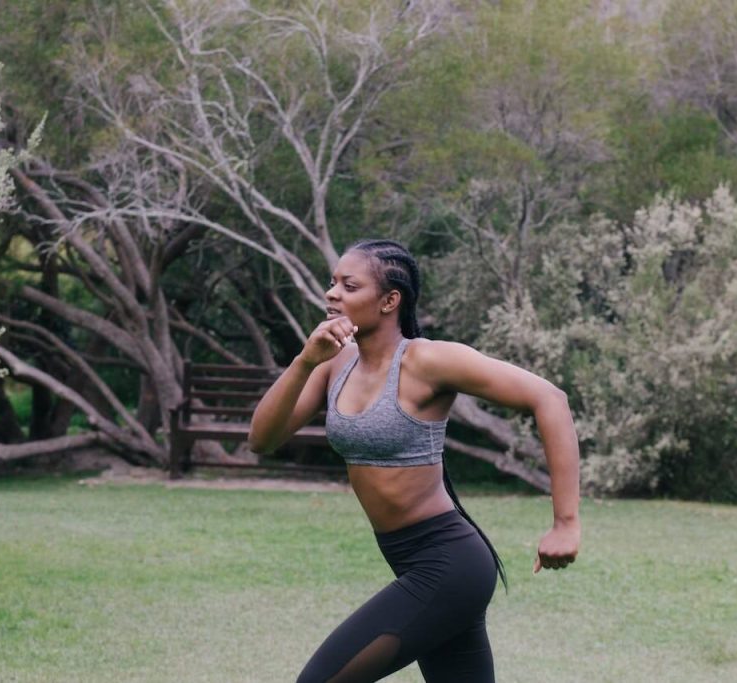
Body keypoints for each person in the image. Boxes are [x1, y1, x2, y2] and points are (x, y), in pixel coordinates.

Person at [249, 239, 581, 683]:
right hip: (412, 560)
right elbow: (262, 438)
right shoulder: (334, 364)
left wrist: (566, 522)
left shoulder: (427, 360)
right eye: (332, 284)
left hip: (447, 563)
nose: (332, 294)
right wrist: (305, 361)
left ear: (390, 301)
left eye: (349, 285)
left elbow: (549, 398)